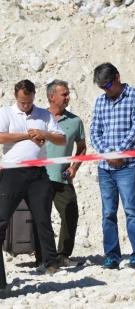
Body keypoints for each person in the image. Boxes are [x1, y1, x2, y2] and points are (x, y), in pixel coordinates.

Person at [0, 80, 66, 286]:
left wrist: (44, 133)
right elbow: (1, 137)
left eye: (29, 102)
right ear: (15, 97)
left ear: (34, 97)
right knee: (2, 219)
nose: (26, 106)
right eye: (22, 102)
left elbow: (61, 139)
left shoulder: (44, 115)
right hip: (12, 172)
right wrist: (28, 136)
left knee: (42, 217)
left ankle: (49, 261)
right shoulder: (5, 113)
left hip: (38, 173)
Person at [90, 62, 135, 269]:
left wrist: (120, 153)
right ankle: (112, 254)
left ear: (117, 77)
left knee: (131, 209)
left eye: (107, 85)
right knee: (108, 212)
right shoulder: (100, 102)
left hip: (127, 165)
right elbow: (94, 132)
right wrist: (108, 154)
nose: (106, 90)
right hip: (105, 168)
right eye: (102, 87)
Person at [41, 80, 86, 267]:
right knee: (40, 218)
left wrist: (74, 168)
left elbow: (82, 149)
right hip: (39, 178)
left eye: (68, 94)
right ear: (52, 97)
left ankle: (62, 255)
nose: (68, 97)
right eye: (64, 94)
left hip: (62, 178)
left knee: (70, 213)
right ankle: (43, 257)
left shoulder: (75, 121)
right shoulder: (39, 118)